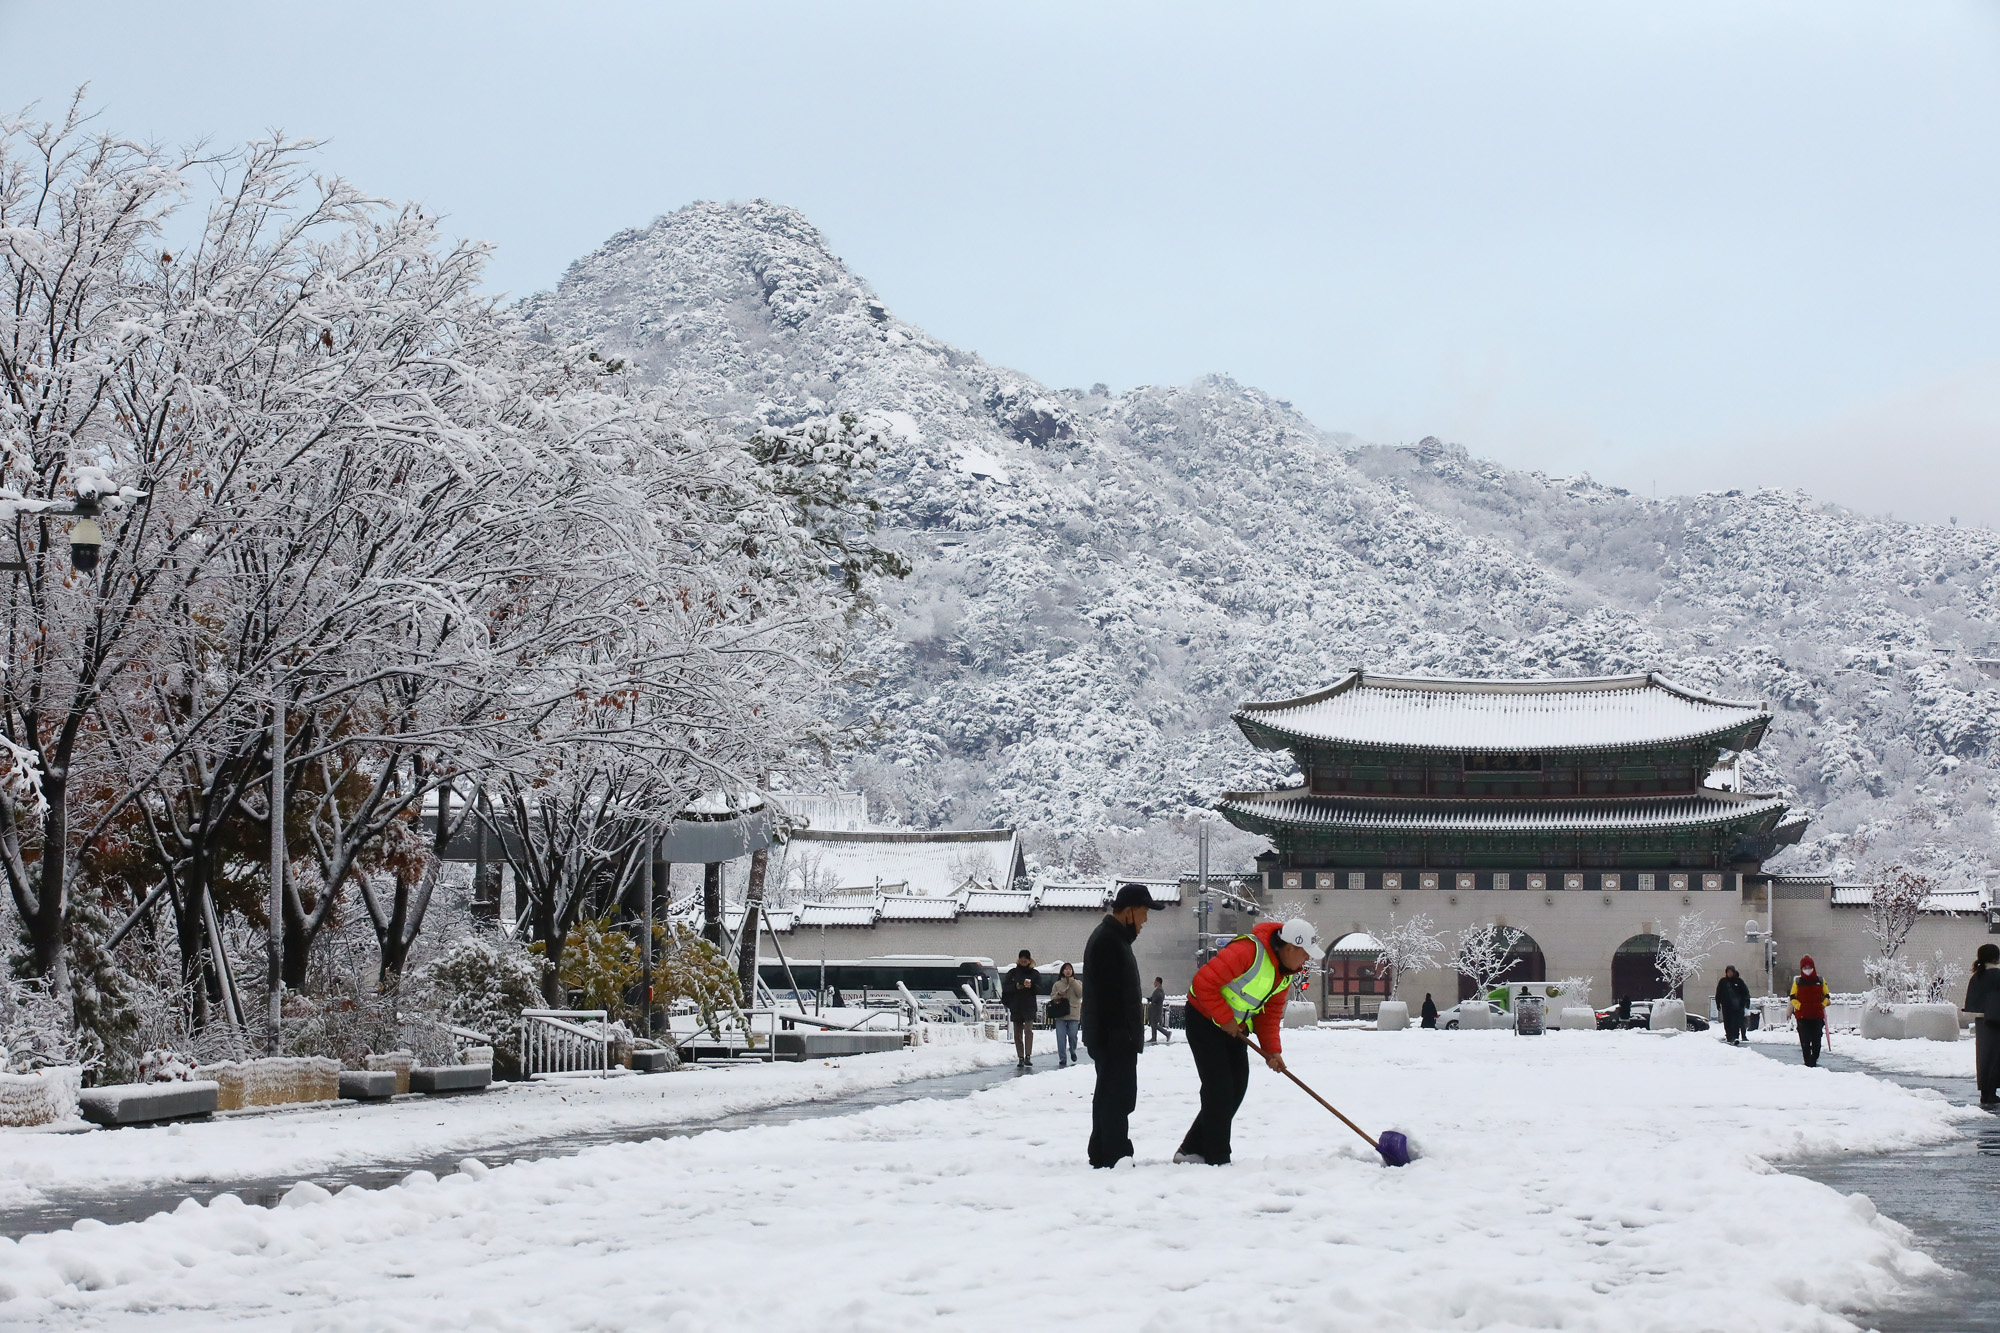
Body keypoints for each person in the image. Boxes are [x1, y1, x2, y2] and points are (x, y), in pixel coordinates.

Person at [1174, 916, 1325, 1166]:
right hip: (1204, 1018)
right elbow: (1203, 983)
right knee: (1219, 1088)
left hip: (1234, 1027)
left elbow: (1269, 1014)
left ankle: (1191, 1149)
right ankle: (1217, 1157)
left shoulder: (1284, 974)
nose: (1306, 960)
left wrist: (1272, 1051)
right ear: (1290, 947)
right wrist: (1224, 1019)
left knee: (1236, 1087)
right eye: (1305, 953)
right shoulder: (1248, 951)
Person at [1082, 883, 1156, 1168]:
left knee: (1111, 1094)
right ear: (1129, 912)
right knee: (1116, 1096)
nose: (1146, 920)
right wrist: (1120, 1034)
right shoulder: (1108, 941)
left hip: (1114, 1034)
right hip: (1113, 1035)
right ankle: (1113, 1153)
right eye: (1144, 912)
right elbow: (1109, 996)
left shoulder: (1114, 939)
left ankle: (1103, 1150)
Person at [1963, 943, 2000, 1107]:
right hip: (1997, 1022)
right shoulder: (1997, 975)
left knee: (1984, 1057)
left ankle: (1985, 1092)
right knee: (1996, 1057)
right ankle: (1992, 1092)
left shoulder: (1977, 976)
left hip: (1981, 1021)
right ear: (1995, 957)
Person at [1003, 949, 1040, 1069]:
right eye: (1021, 958)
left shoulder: (1034, 974)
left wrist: (1032, 986)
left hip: (1029, 1007)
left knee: (1028, 1031)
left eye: (1026, 958)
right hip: (1016, 1006)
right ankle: (1020, 1057)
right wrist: (1016, 987)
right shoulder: (1012, 973)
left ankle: (1028, 1056)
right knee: (1017, 1034)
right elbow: (1006, 988)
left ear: (1029, 960)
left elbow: (1040, 989)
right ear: (1018, 959)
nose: (1023, 960)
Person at [1791, 955, 1830, 1067]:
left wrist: (1822, 1005)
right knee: (1805, 1040)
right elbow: (1792, 996)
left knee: (1816, 1040)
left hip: (1817, 1016)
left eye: (1809, 967)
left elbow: (1826, 995)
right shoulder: (1798, 982)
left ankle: (1814, 1058)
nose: (1807, 969)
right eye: (1805, 967)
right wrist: (1799, 1006)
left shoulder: (1820, 980)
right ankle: (1808, 1062)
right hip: (1802, 1016)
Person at [1050, 962, 1084, 1068]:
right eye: (1066, 969)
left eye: (1070, 969)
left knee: (1073, 1035)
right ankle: (1062, 1058)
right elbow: (1052, 997)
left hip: (1073, 1013)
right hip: (1060, 1013)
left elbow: (1081, 994)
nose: (1068, 971)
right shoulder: (1057, 984)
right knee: (1060, 1037)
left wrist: (1072, 982)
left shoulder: (1078, 982)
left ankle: (1072, 1050)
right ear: (1062, 971)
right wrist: (1058, 995)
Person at [1715, 965, 1753, 1045]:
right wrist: (1718, 1003)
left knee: (1736, 1022)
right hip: (1726, 1006)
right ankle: (1729, 1037)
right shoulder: (1723, 982)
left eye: (1731, 972)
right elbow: (1718, 993)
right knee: (1727, 1022)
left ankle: (1736, 1037)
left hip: (1737, 1007)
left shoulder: (1739, 981)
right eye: (1728, 972)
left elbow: (1745, 992)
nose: (1729, 973)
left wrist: (1746, 1001)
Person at [1147, 978, 1169, 1045]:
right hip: (1155, 1009)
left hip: (1156, 1010)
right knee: (1153, 1024)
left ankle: (1166, 1033)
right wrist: (1151, 999)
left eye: (1155, 982)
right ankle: (1154, 1038)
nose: (1154, 983)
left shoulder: (1159, 990)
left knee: (1154, 1024)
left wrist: (1153, 1001)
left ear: (1158, 982)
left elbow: (1159, 998)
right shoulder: (1158, 990)